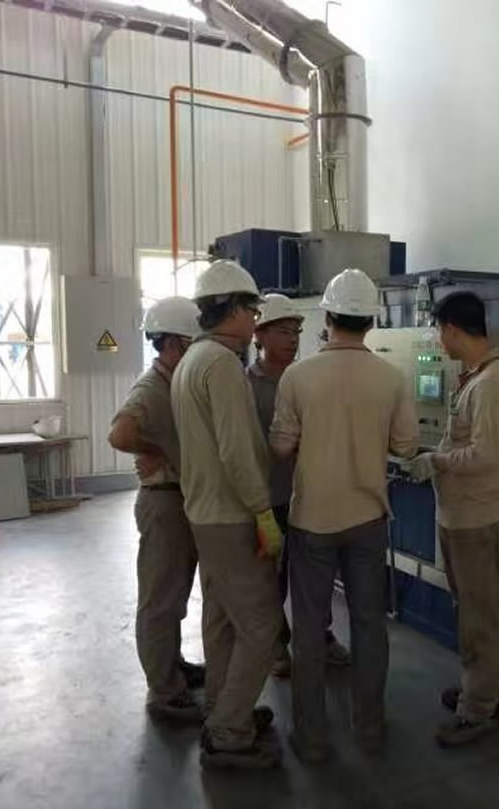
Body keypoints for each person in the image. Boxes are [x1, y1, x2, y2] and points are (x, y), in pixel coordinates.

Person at [270, 268, 419, 764]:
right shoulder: (391, 377)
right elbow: (406, 446)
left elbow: (281, 445)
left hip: (311, 519)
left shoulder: (297, 376)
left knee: (310, 630)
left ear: (328, 317)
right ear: (370, 322)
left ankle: (311, 738)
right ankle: (369, 729)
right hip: (368, 518)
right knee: (369, 625)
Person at [171, 260, 284, 769]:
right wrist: (262, 511)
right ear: (235, 309)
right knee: (262, 627)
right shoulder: (221, 364)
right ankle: (229, 730)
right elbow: (237, 450)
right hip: (231, 515)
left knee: (220, 619)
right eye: (253, 310)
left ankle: (223, 705)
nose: (256, 320)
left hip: (203, 513)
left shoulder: (192, 360)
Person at [405, 291, 499, 748]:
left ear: (453, 329)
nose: (439, 340)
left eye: (440, 331)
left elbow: (486, 455)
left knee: (481, 620)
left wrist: (435, 460)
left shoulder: (492, 385)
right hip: (460, 518)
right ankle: (485, 693)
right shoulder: (475, 379)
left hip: (480, 520)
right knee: (473, 614)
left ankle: (478, 711)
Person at [108, 296, 205, 723]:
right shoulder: (151, 387)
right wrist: (159, 451)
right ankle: (164, 692)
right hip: (163, 501)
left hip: (178, 499)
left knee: (174, 595)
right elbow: (119, 434)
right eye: (190, 343)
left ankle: (173, 666)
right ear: (169, 342)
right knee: (160, 600)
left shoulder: (174, 381)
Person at [245, 294, 351, 679]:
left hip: (307, 496)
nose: (292, 339)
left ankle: (320, 636)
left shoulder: (308, 379)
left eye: (296, 332)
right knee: (268, 579)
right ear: (259, 335)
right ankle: (276, 643)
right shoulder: (244, 386)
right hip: (267, 499)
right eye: (283, 332)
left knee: (312, 576)